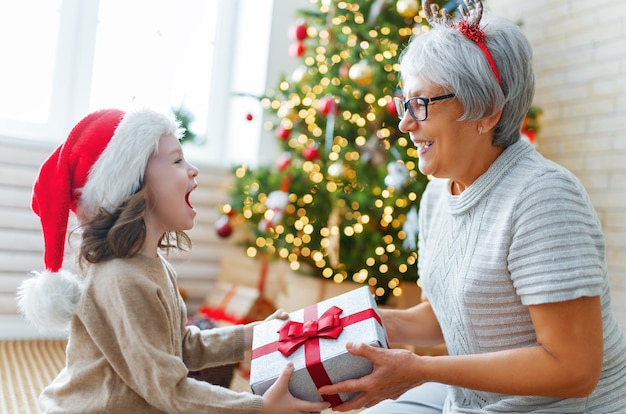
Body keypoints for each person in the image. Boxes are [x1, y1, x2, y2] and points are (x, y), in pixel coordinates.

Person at [318, 1, 626, 412]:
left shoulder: (543, 198)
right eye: (403, 103)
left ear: (486, 112)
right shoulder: (437, 196)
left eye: (421, 104)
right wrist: (356, 329)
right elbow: (446, 314)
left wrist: (423, 370)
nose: (405, 124)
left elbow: (574, 369)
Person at [16, 108, 330, 414]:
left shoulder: (152, 265)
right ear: (134, 185)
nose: (192, 169)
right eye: (177, 160)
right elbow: (169, 389)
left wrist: (253, 335)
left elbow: (179, 347)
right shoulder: (121, 277)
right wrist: (259, 408)